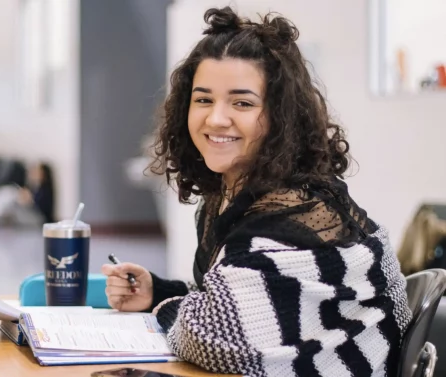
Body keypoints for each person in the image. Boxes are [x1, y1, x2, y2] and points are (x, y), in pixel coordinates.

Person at [102, 7, 411, 376]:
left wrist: (163, 306)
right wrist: (158, 289)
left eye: (242, 103)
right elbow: (253, 297)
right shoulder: (237, 194)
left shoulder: (289, 216)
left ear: (280, 117)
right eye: (203, 99)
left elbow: (212, 338)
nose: (216, 118)